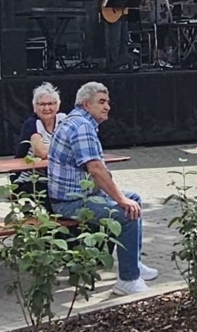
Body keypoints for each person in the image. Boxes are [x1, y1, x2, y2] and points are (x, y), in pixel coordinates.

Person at [47, 81, 159, 296]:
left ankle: (133, 263)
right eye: (101, 102)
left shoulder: (77, 121)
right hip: (70, 202)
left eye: (108, 102)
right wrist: (120, 199)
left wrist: (121, 197)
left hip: (81, 195)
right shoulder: (81, 126)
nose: (107, 106)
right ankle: (127, 280)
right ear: (86, 104)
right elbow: (96, 169)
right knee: (126, 212)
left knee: (134, 197)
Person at [98, 0, 135, 69]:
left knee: (124, 39)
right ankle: (114, 63)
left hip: (122, 16)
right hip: (113, 14)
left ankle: (123, 62)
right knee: (115, 40)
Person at [15, 82, 62, 161]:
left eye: (50, 104)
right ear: (35, 107)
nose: (47, 108)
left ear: (58, 106)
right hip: (32, 171)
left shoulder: (63, 120)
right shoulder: (32, 124)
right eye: (42, 104)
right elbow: (42, 153)